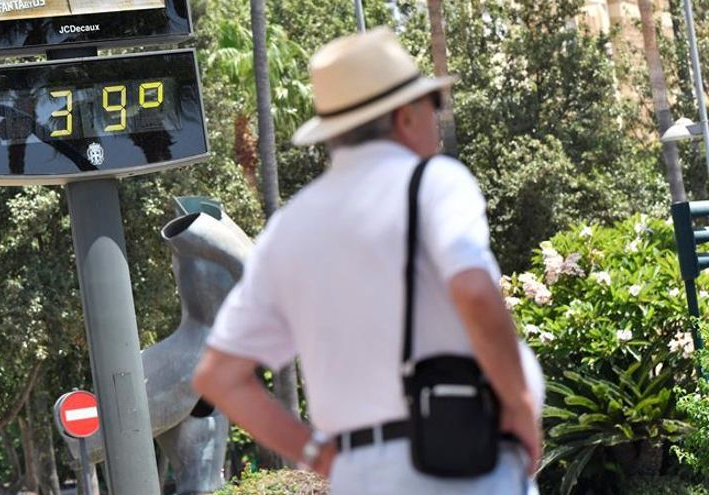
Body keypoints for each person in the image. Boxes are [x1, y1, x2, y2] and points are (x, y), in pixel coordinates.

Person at [192, 27, 544, 494]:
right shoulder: (434, 182)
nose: (437, 120)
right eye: (432, 106)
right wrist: (519, 407)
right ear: (404, 116)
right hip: (463, 461)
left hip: (359, 478)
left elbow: (219, 376)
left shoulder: (289, 229)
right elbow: (475, 291)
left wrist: (317, 452)